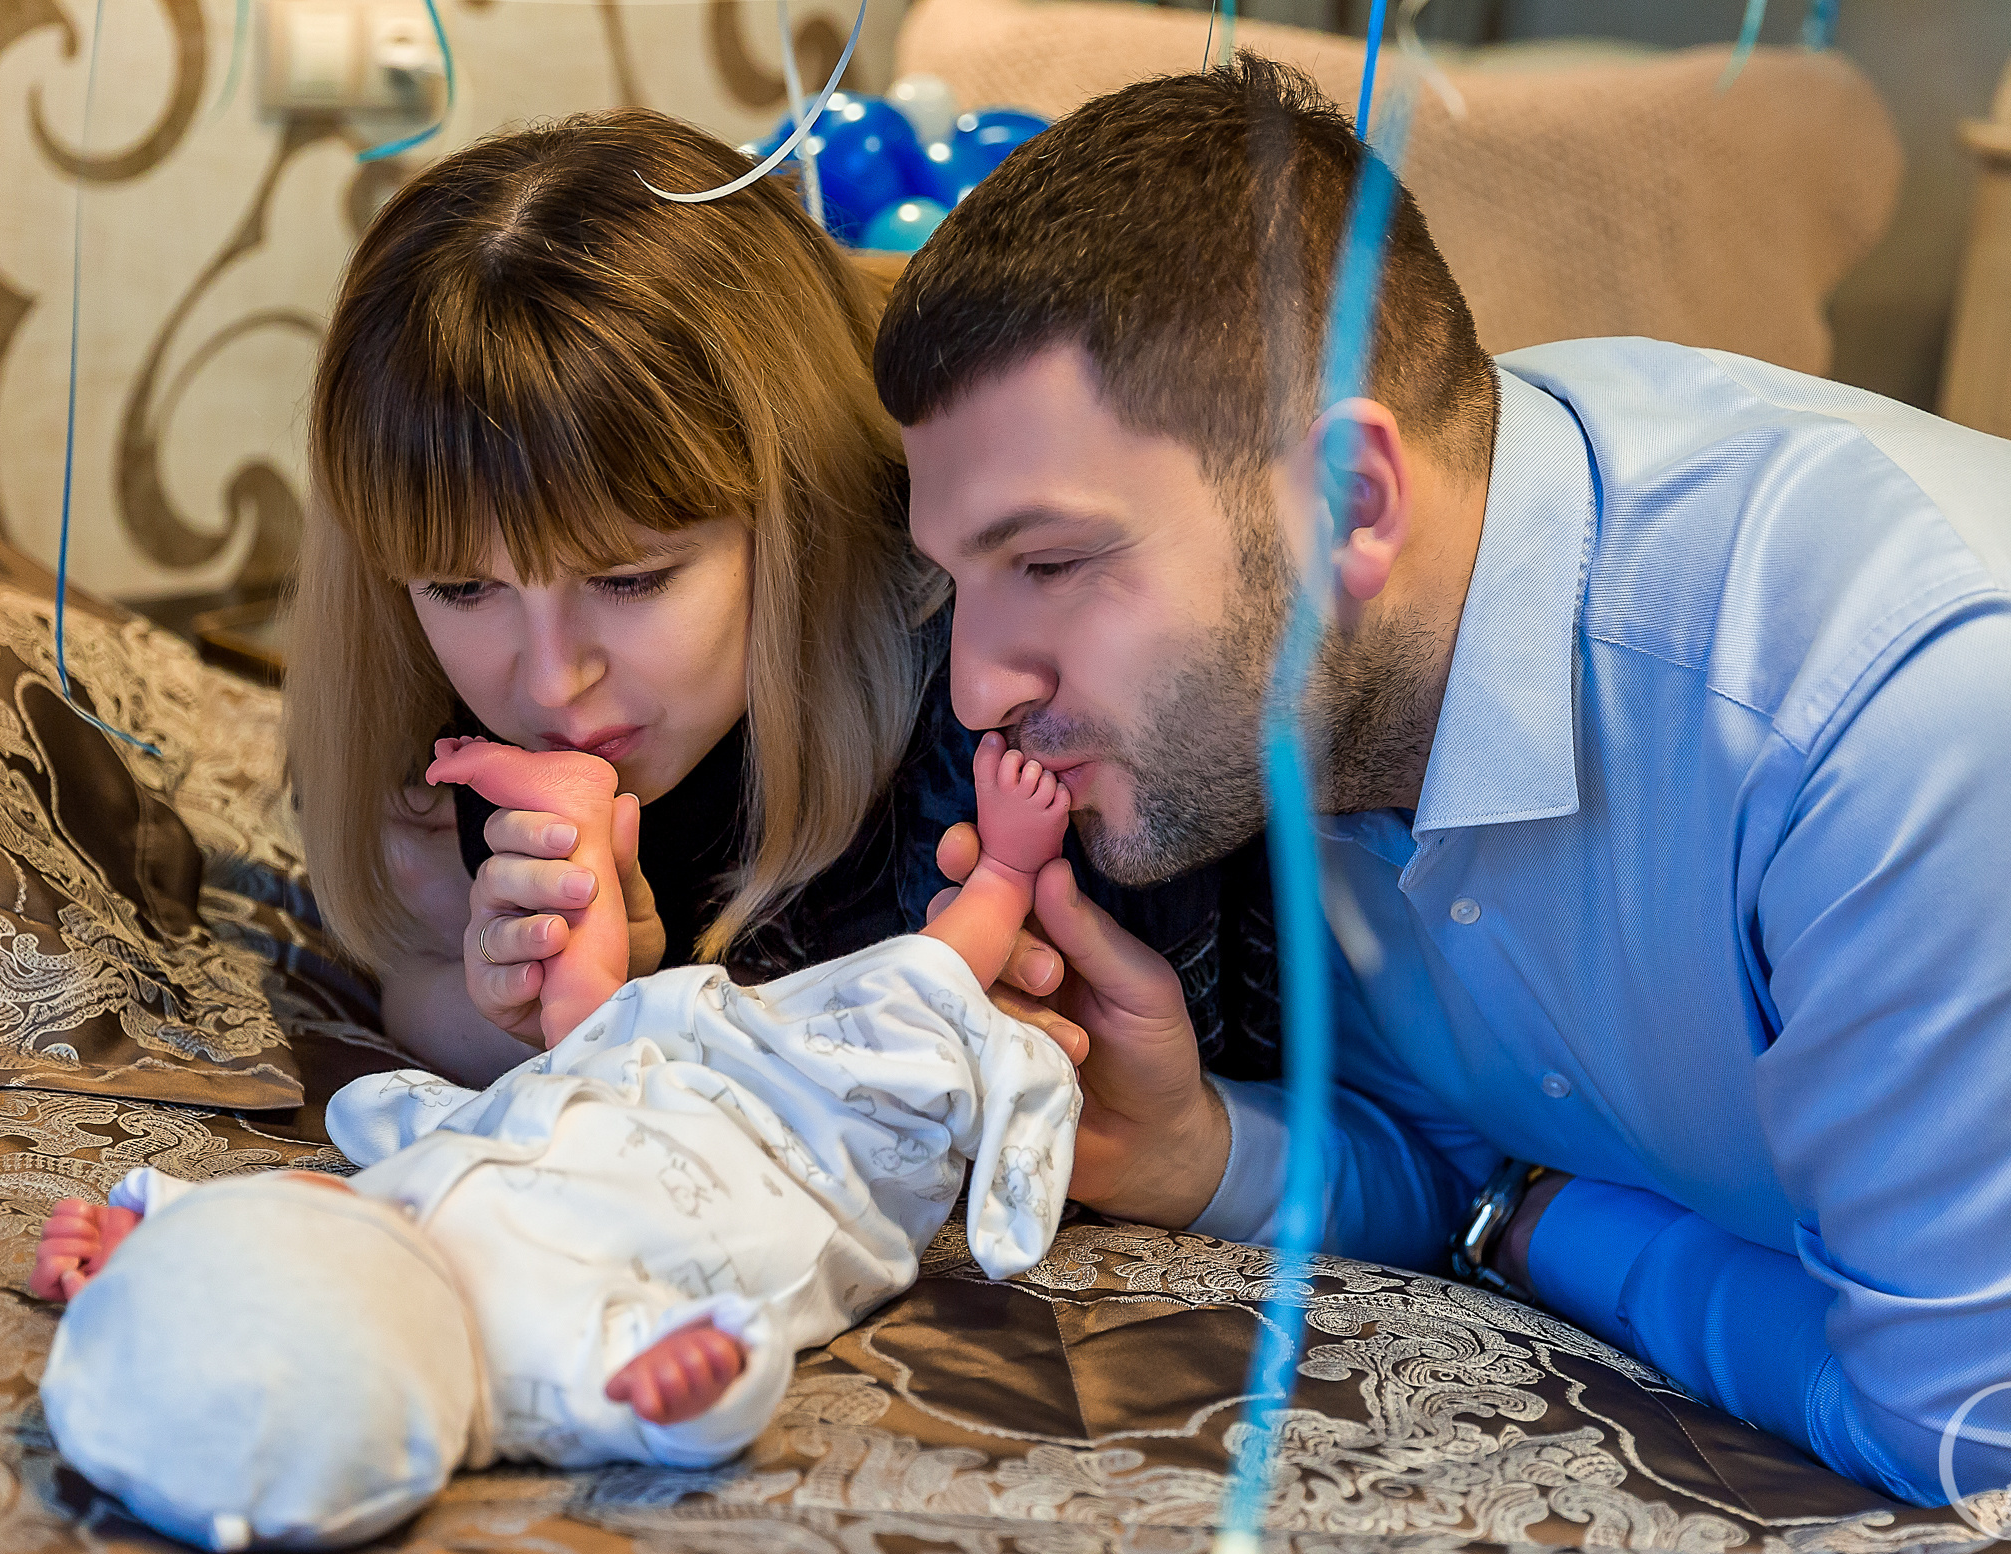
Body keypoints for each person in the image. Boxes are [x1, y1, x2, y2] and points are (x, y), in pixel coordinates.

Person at [872, 55, 2011, 1506]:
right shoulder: (1319, 677)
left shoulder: (1915, 717)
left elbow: (2001, 1446)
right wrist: (1199, 1145)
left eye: (1048, 564)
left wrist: (1556, 1234)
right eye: (958, 581)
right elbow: (1453, 1150)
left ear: (1352, 504)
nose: (980, 686)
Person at [285, 110, 1284, 1092]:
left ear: (800, 501)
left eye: (632, 579)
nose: (552, 680)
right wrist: (550, 1007)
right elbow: (411, 979)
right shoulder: (418, 731)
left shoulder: (1004, 680)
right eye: (462, 588)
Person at [27, 736, 1081, 1553]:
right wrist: (701, 1380)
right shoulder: (537, 1368)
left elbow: (234, 1236)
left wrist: (137, 1238)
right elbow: (684, 1409)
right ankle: (1006, 874)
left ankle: (571, 814)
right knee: (911, 1004)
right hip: (808, 1154)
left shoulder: (345, 1224)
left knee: (583, 1011)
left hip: (609, 1084)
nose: (304, 1203)